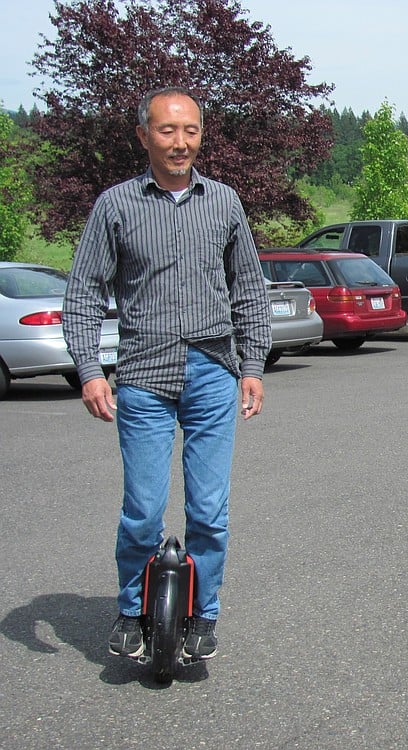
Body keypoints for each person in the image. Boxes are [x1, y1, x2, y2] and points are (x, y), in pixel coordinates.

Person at [63, 86, 271, 661]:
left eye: (191, 131)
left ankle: (204, 614)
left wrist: (251, 366)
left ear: (202, 134)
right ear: (143, 136)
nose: (180, 142)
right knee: (144, 509)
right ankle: (131, 610)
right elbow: (82, 295)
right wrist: (90, 370)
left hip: (211, 371)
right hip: (142, 375)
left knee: (208, 510)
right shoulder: (116, 205)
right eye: (167, 130)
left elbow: (249, 291)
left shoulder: (224, 202)